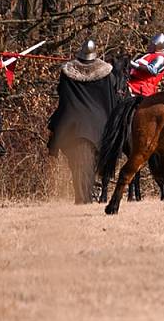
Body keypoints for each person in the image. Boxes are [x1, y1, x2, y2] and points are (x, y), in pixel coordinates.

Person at [48, 39, 123, 204]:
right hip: (98, 123)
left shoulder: (68, 71)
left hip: (73, 123)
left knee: (57, 127)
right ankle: (88, 194)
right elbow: (112, 99)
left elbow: (63, 96)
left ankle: (81, 197)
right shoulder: (106, 72)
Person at [126, 33, 164, 201]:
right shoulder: (147, 55)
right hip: (131, 89)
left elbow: (152, 70)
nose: (149, 46)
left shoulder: (161, 58)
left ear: (158, 46)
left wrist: (132, 63)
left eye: (152, 44)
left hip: (143, 94)